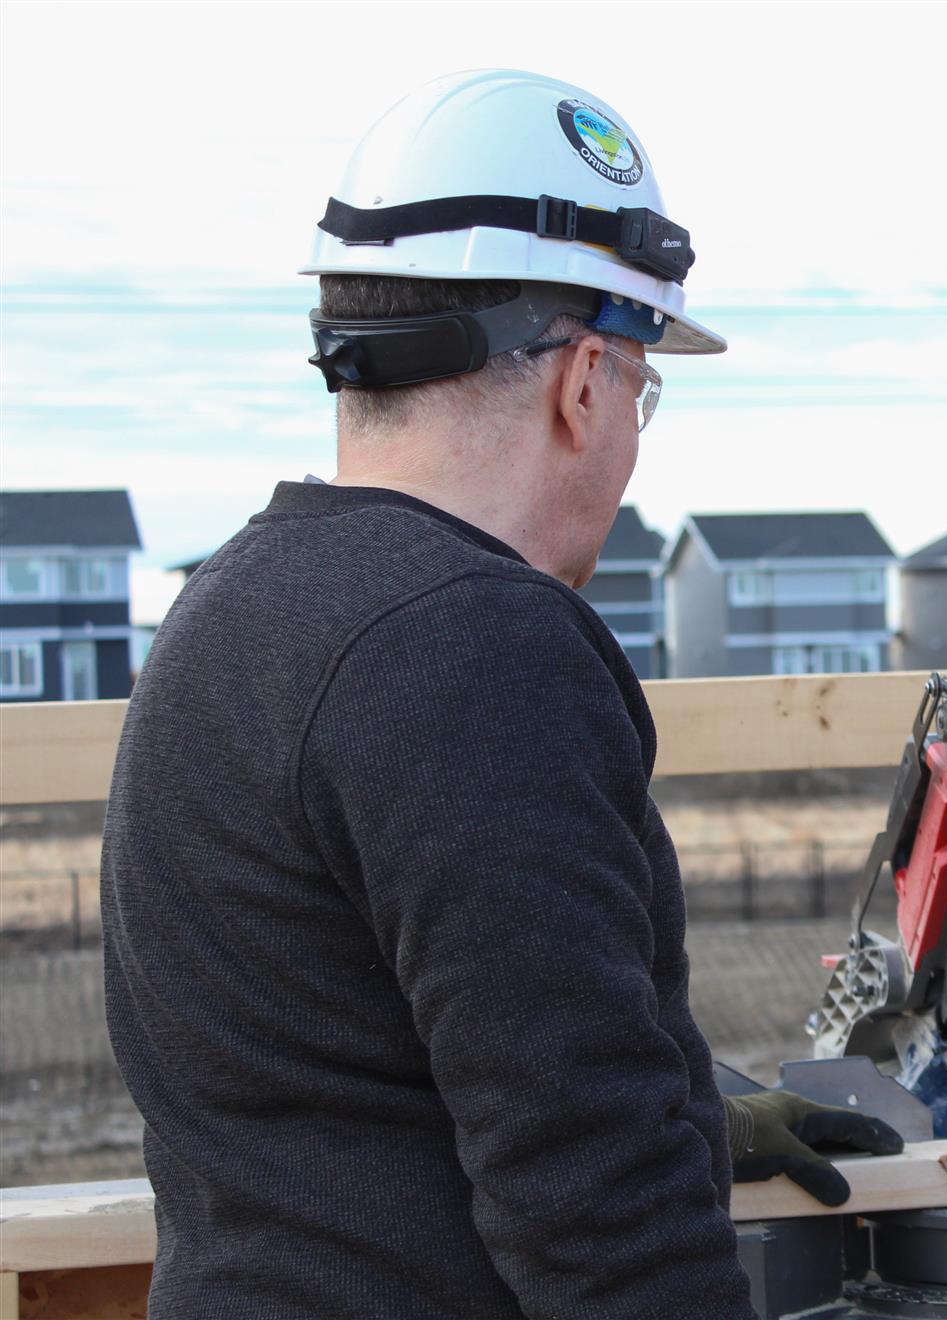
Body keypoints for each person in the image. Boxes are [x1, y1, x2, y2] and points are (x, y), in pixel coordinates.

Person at [100, 69, 898, 1319]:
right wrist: (646, 1136)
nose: (632, 432)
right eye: (644, 386)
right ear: (584, 383)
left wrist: (690, 1102)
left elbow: (351, 1047)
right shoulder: (478, 645)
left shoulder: (234, 601)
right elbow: (595, 1197)